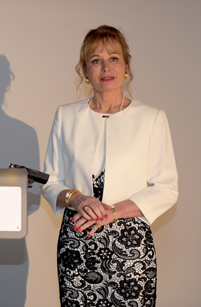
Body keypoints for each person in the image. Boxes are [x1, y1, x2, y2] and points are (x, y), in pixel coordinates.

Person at [40, 25, 178, 306]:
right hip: (77, 242)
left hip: (131, 242)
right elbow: (51, 181)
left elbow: (166, 189)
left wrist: (112, 212)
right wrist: (76, 198)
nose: (106, 66)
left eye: (114, 58)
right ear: (85, 71)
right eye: (95, 60)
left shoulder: (152, 118)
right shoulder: (66, 116)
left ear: (126, 66)